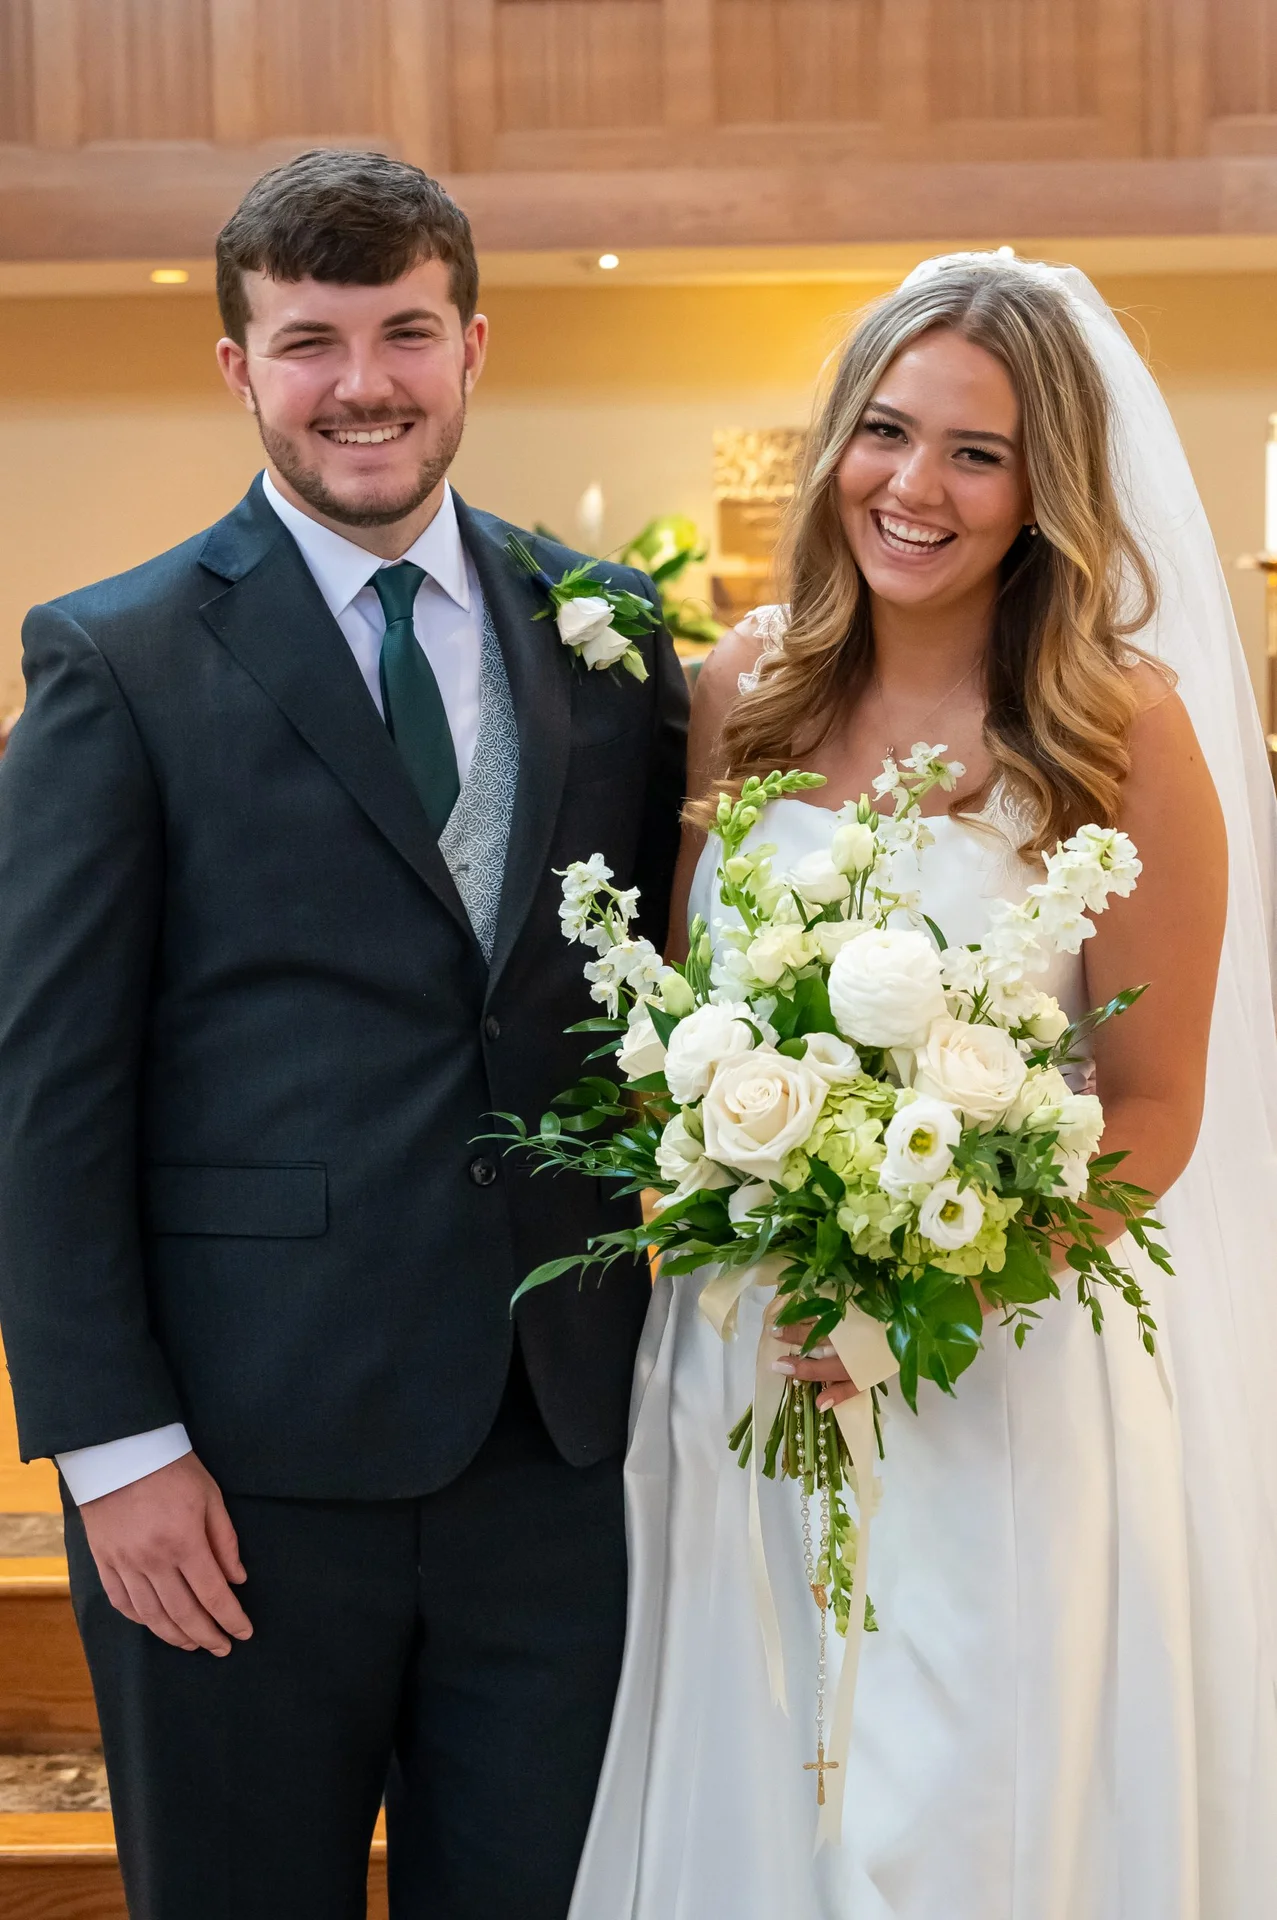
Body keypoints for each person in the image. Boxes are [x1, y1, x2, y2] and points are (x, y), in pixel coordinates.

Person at [0, 149, 687, 1920]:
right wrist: (116, 1452)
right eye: (310, 341)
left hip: (556, 1460)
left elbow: (665, 1012)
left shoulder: (609, 638)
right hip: (239, 1470)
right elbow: (44, 1091)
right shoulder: (117, 660)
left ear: (475, 348)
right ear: (238, 366)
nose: (363, 384)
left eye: (405, 331)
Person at [569, 255, 1277, 1918]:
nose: (915, 484)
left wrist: (924, 1294)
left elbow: (1155, 1105)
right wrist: (729, 1207)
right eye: (886, 431)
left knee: (966, 1805)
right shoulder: (742, 693)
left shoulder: (1121, 727)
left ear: (1047, 492)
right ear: (837, 450)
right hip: (746, 1366)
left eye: (979, 451)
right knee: (763, 1792)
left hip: (1001, 1371)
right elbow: (683, 1039)